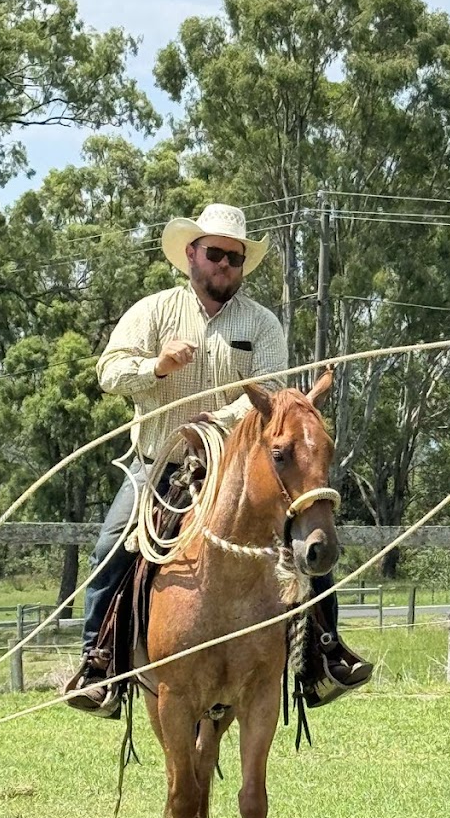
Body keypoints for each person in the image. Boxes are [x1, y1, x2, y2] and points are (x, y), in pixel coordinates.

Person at [64, 202, 373, 716]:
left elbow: (271, 388)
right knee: (110, 549)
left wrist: (217, 423)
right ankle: (99, 665)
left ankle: (324, 655)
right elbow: (110, 372)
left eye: (235, 257)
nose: (225, 265)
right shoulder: (154, 310)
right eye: (216, 254)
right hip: (158, 464)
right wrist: (157, 366)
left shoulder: (263, 323)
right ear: (192, 254)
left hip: (241, 470)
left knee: (308, 540)